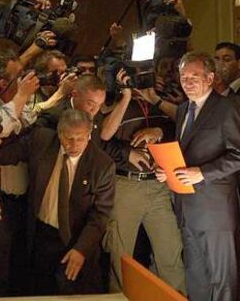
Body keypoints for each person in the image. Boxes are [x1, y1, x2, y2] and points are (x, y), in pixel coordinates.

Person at [0, 109, 115, 295]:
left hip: (73, 240)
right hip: (39, 235)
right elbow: (8, 153)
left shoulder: (102, 165)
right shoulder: (42, 141)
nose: (75, 144)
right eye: (69, 138)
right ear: (60, 134)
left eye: (81, 138)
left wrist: (81, 249)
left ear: (89, 135)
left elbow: (100, 215)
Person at [156, 51, 240, 301]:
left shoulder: (227, 108)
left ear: (211, 78)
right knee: (196, 278)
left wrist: (202, 173)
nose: (188, 82)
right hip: (186, 207)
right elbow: (185, 154)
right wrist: (168, 173)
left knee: (222, 280)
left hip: (215, 211)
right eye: (184, 77)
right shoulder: (183, 109)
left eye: (195, 76)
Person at [100, 69, 185, 293]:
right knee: (121, 254)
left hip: (159, 186)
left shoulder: (162, 102)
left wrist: (158, 130)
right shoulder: (110, 102)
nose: (139, 81)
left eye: (145, 74)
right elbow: (100, 140)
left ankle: (174, 296)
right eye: (133, 76)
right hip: (126, 184)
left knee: (170, 252)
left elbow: (184, 127)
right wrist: (127, 152)